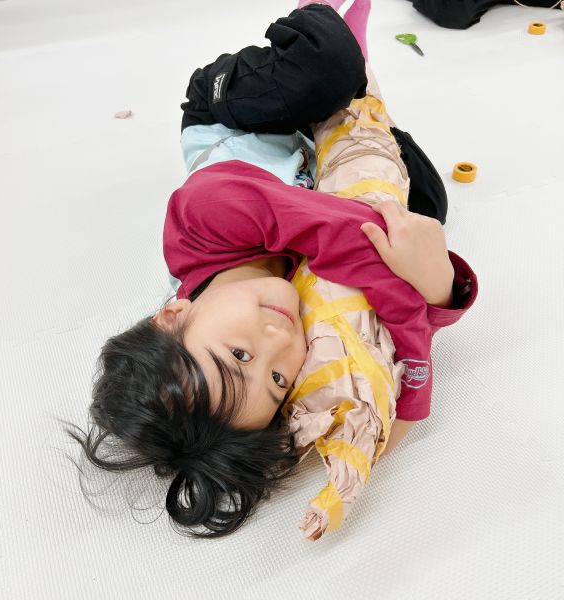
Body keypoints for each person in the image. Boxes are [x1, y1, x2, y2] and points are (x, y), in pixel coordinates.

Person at [67, 1, 477, 539]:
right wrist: (434, 286)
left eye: (239, 355)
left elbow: (365, 239)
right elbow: (371, 313)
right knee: (428, 206)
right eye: (279, 379)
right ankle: (353, 93)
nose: (279, 342)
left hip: (236, 111)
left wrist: (415, 390)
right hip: (304, 159)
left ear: (173, 315)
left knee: (326, 68)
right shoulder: (268, 308)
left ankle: (322, 19)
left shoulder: (204, 214)